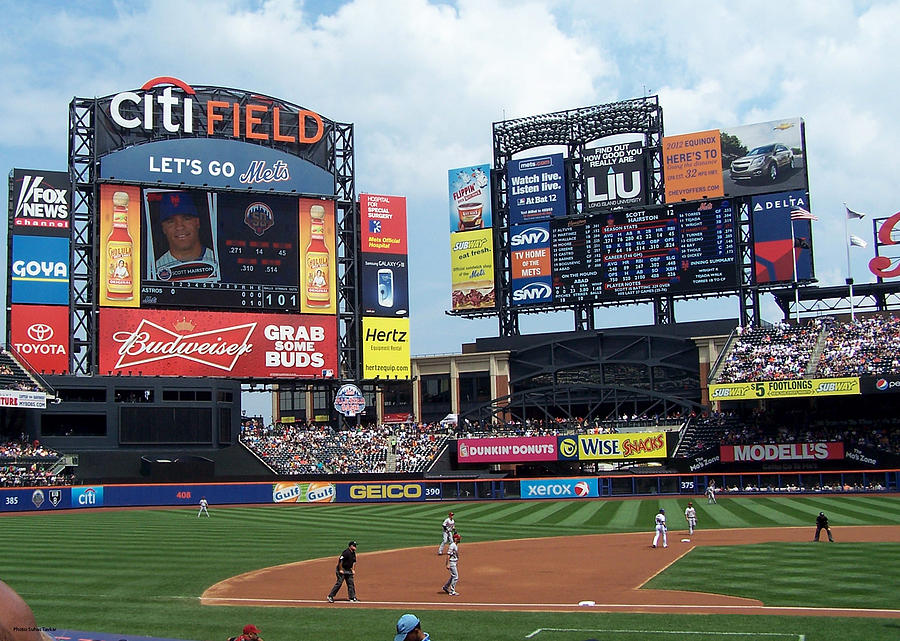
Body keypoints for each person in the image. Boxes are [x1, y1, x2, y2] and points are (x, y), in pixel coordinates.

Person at [151, 190, 219, 282]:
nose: (179, 227)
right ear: (163, 228)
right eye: (171, 221)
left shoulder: (218, 260)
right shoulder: (154, 270)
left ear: (197, 222)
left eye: (186, 218)